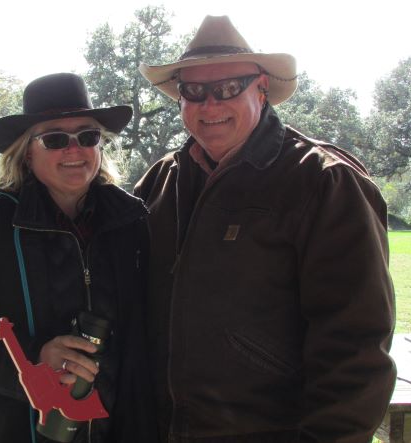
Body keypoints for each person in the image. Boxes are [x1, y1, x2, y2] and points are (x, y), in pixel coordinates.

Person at [135, 16, 396, 443]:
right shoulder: (161, 181)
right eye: (194, 91)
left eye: (227, 88)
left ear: (261, 89)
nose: (210, 104)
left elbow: (356, 346)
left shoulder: (324, 182)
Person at [0, 73, 155, 442]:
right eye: (55, 139)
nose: (74, 150)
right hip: (7, 429)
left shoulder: (132, 224)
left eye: (88, 136)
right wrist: (35, 357)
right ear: (27, 151)